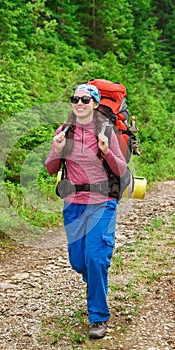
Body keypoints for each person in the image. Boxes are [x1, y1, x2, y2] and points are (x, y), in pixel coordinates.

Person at [45, 83, 127, 339]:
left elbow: (122, 170)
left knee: (96, 257)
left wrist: (106, 152)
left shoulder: (105, 131)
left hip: (102, 202)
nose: (79, 103)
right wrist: (57, 150)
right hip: (73, 203)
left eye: (85, 99)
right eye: (75, 99)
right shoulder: (64, 131)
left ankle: (98, 318)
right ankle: (95, 282)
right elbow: (50, 168)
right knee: (78, 261)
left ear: (94, 104)